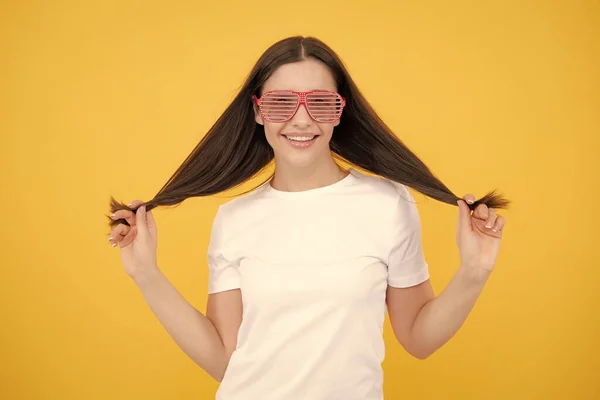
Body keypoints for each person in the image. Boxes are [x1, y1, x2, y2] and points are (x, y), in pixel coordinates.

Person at [105, 36, 509, 400]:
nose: (301, 120)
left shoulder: (388, 205)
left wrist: (474, 271)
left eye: (320, 103)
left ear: (340, 112)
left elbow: (419, 339)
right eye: (282, 102)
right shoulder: (234, 219)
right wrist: (146, 274)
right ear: (259, 111)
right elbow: (226, 361)